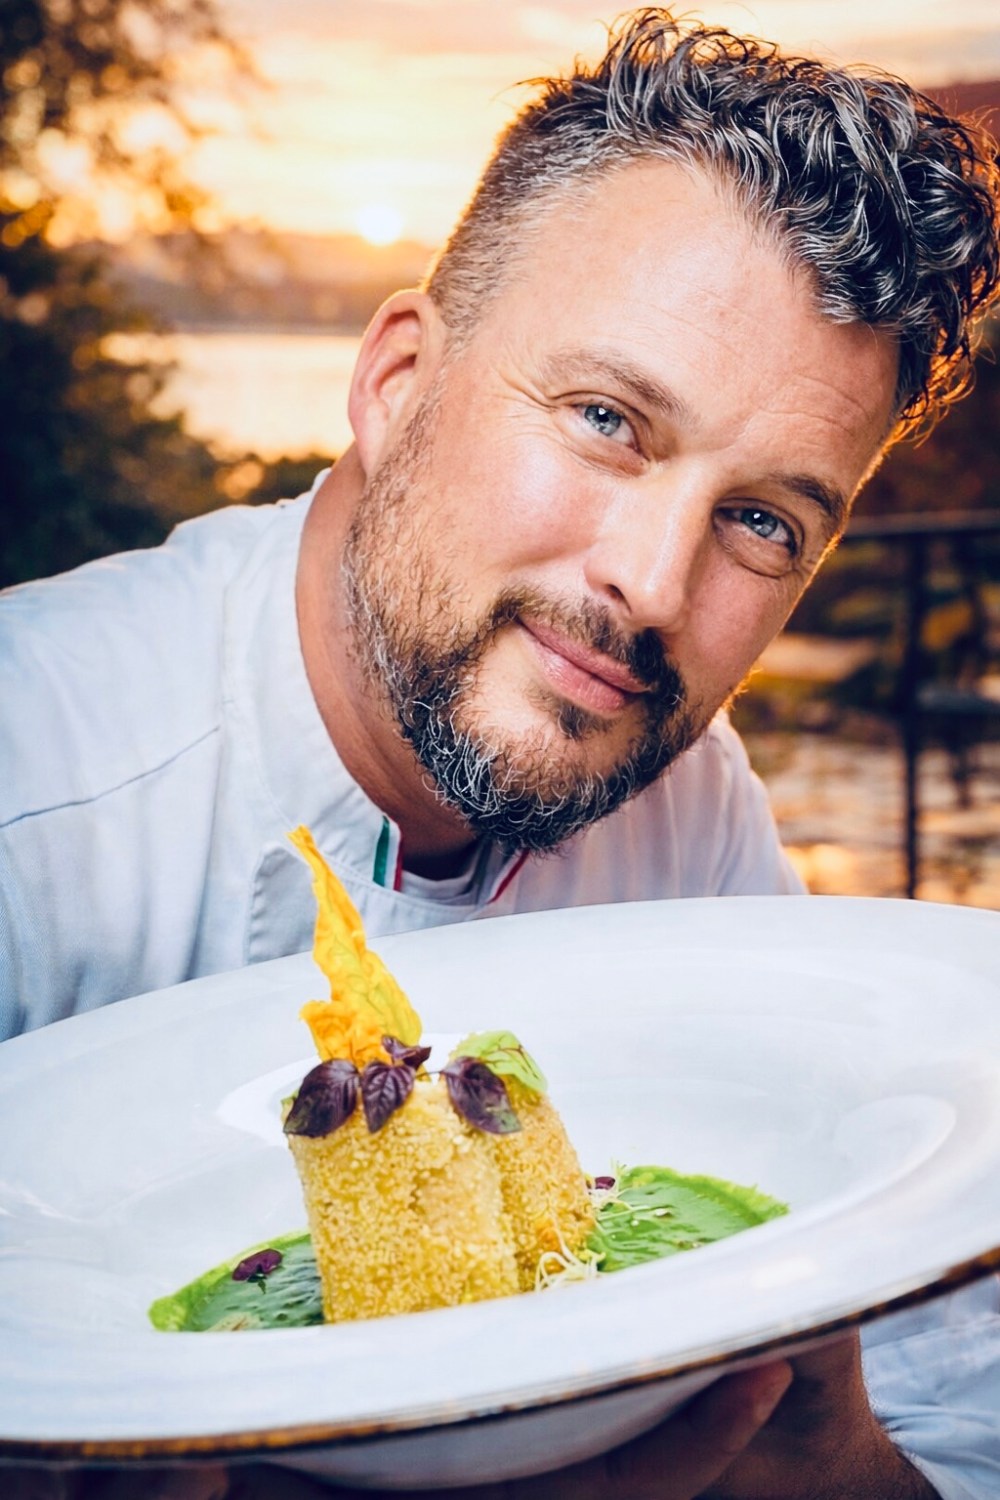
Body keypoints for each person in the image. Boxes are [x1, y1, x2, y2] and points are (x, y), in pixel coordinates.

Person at [2, 9, 999, 1500]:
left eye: (764, 521)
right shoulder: (37, 785)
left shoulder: (700, 810)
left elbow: (950, 1420)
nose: (654, 588)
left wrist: (823, 1465)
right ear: (398, 381)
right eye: (607, 420)